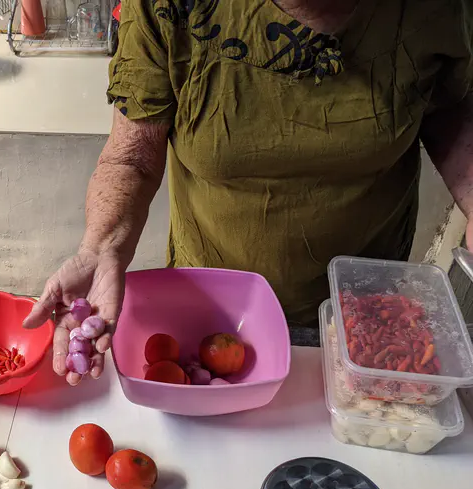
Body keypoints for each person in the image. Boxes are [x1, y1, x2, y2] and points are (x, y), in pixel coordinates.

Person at [24, 0, 473, 385]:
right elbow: (132, 157)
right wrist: (100, 249)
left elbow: (450, 106)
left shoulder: (439, 9)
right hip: (212, 314)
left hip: (366, 322)